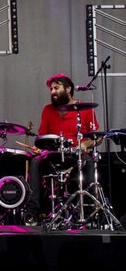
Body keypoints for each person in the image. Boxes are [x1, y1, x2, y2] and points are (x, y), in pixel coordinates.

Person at [25, 73, 99, 226]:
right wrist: (38, 148)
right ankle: (32, 213)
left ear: (68, 89)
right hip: (53, 154)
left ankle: (92, 212)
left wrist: (85, 145)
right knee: (34, 162)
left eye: (56, 88)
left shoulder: (84, 109)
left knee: (89, 162)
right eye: (51, 89)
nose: (52, 92)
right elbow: (41, 136)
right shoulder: (47, 110)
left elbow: (97, 137)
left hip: (76, 154)